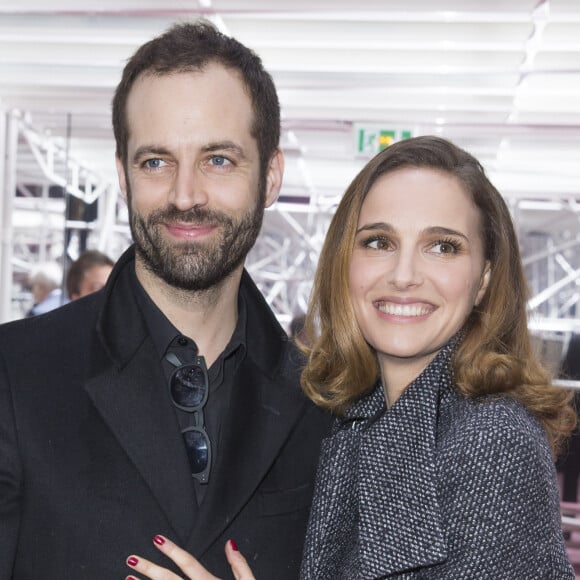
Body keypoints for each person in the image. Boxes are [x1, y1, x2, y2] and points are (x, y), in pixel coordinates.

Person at [126, 136, 576, 579]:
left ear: (483, 280)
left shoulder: (493, 442)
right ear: (345, 262)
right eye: (379, 242)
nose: (403, 276)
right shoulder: (349, 420)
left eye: (442, 246)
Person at [0, 20, 331, 579]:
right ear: (124, 177)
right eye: (156, 161)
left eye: (218, 160)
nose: (185, 195)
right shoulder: (15, 373)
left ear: (271, 175)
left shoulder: (326, 406)